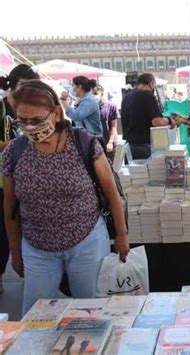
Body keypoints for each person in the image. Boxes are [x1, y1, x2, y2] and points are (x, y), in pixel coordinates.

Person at [2, 80, 129, 314]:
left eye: (37, 121)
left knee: (92, 310)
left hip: (87, 240)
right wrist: (15, 252)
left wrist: (121, 236)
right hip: (37, 247)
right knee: (35, 316)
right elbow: (10, 207)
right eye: (23, 121)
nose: (30, 128)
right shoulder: (15, 151)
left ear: (57, 114)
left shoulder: (84, 143)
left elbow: (111, 192)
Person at [0, 64, 40, 294]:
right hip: (4, 179)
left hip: (27, 178)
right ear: (13, 85)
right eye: (24, 87)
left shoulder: (33, 107)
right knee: (6, 226)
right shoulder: (2, 108)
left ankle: (30, 269)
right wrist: (15, 144)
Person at [121, 73, 174, 159]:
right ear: (151, 84)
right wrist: (170, 120)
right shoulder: (147, 95)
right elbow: (157, 122)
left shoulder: (126, 97)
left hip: (129, 147)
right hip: (143, 147)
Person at [93, 85, 119, 161]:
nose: (93, 96)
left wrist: (110, 142)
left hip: (109, 143)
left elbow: (113, 126)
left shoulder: (111, 106)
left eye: (95, 93)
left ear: (102, 93)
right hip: (96, 145)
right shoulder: (89, 107)